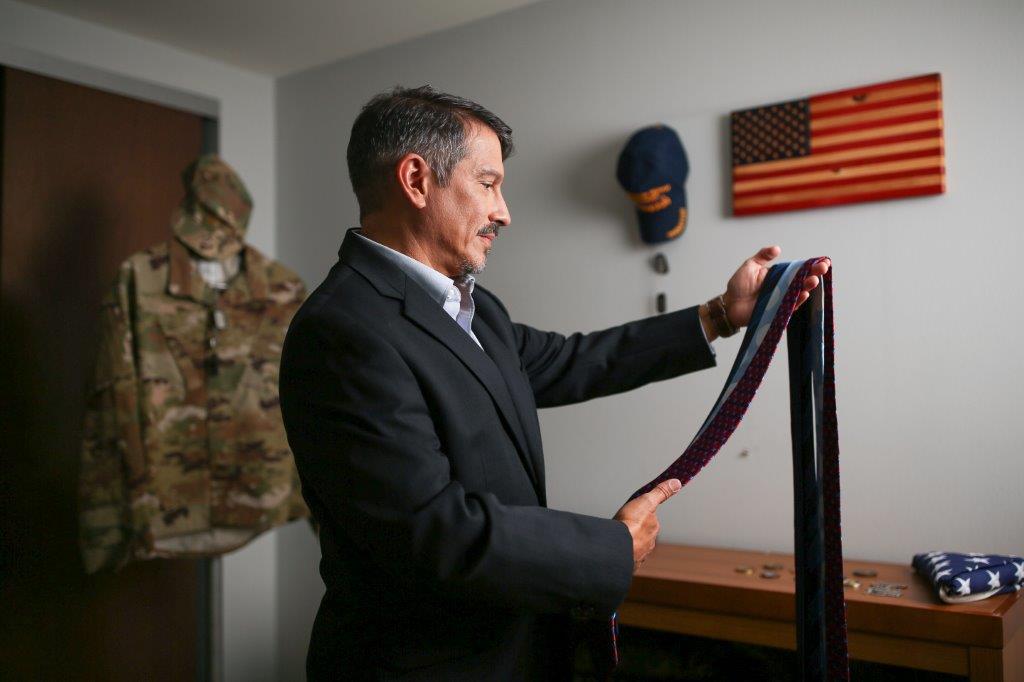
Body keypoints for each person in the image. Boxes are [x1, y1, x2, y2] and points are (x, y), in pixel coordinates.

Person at [279, 85, 828, 681]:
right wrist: (610, 549)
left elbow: (572, 361)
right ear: (416, 180)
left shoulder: (474, 307)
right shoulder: (341, 332)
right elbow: (430, 532)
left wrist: (722, 313)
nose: (503, 211)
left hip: (516, 650)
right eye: (488, 184)